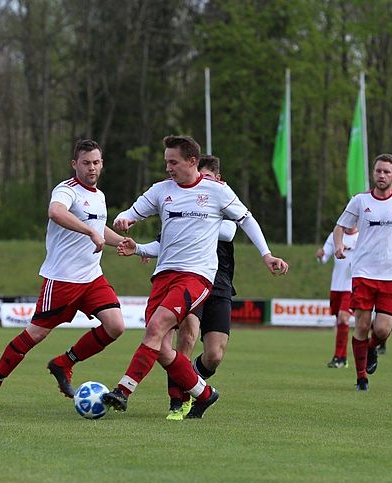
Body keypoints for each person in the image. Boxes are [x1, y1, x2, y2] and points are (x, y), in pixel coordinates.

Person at [107, 135, 288, 419]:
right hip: (163, 275)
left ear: (192, 161)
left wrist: (267, 255)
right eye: (166, 162)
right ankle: (204, 394)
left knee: (158, 328)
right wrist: (124, 219)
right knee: (161, 347)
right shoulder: (161, 190)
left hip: (196, 276)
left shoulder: (217, 191)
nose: (168, 167)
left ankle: (123, 390)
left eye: (173, 162)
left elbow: (246, 219)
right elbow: (132, 212)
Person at [0, 139, 130, 409]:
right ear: (74, 164)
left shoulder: (99, 195)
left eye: (96, 162)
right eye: (86, 163)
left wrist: (128, 244)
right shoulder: (66, 190)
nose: (92, 168)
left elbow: (100, 229)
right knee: (35, 334)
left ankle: (64, 363)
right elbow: (56, 212)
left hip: (92, 277)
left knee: (115, 326)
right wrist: (90, 232)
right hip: (62, 280)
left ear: (102, 163)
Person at [334, 153, 392, 391]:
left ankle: (372, 347)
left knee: (382, 330)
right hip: (363, 273)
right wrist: (338, 245)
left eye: (386, 172)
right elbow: (340, 227)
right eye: (378, 171)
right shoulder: (360, 200)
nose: (381, 175)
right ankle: (361, 378)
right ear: (373, 173)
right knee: (362, 326)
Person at [317, 226, 358, 368]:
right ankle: (342, 358)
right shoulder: (335, 235)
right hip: (336, 286)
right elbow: (324, 257)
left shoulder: (362, 236)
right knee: (339, 321)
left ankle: (339, 357)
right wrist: (321, 255)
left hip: (352, 286)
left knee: (343, 317)